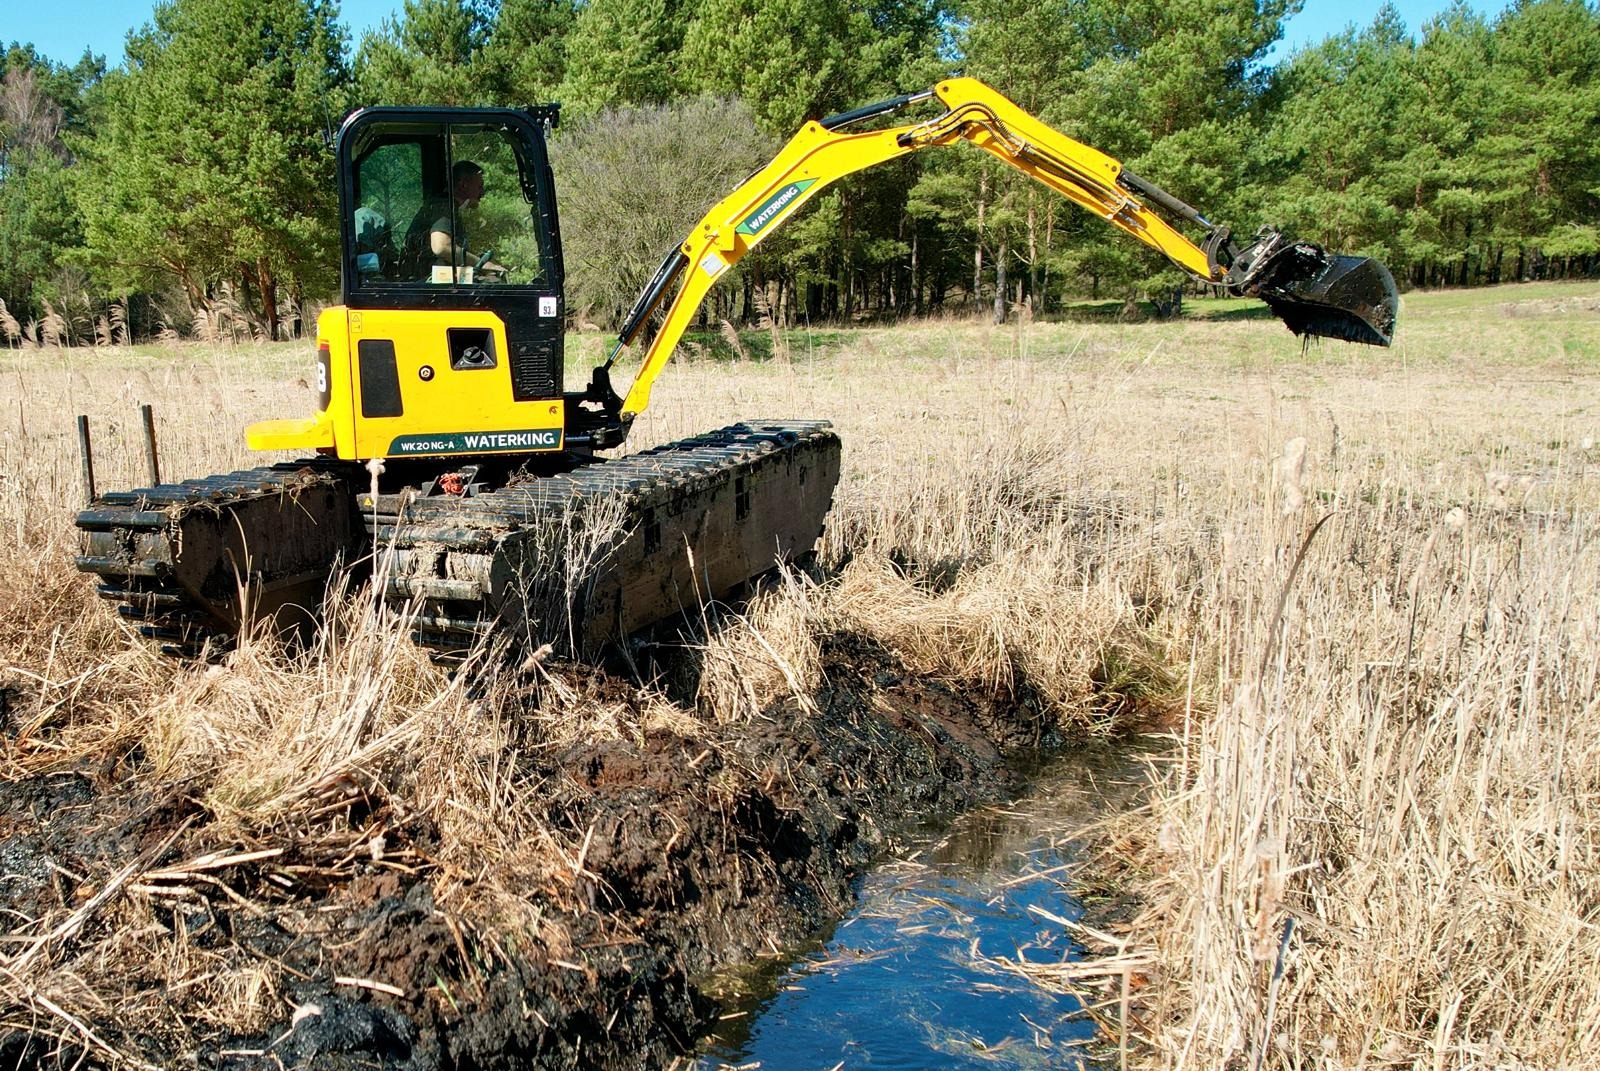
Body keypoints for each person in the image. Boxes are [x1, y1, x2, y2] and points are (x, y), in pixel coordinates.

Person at [401, 161, 505, 281]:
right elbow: (441, 247)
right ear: (463, 184)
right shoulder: (444, 205)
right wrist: (483, 265)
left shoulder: (446, 206)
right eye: (479, 186)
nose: (482, 192)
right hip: (422, 287)